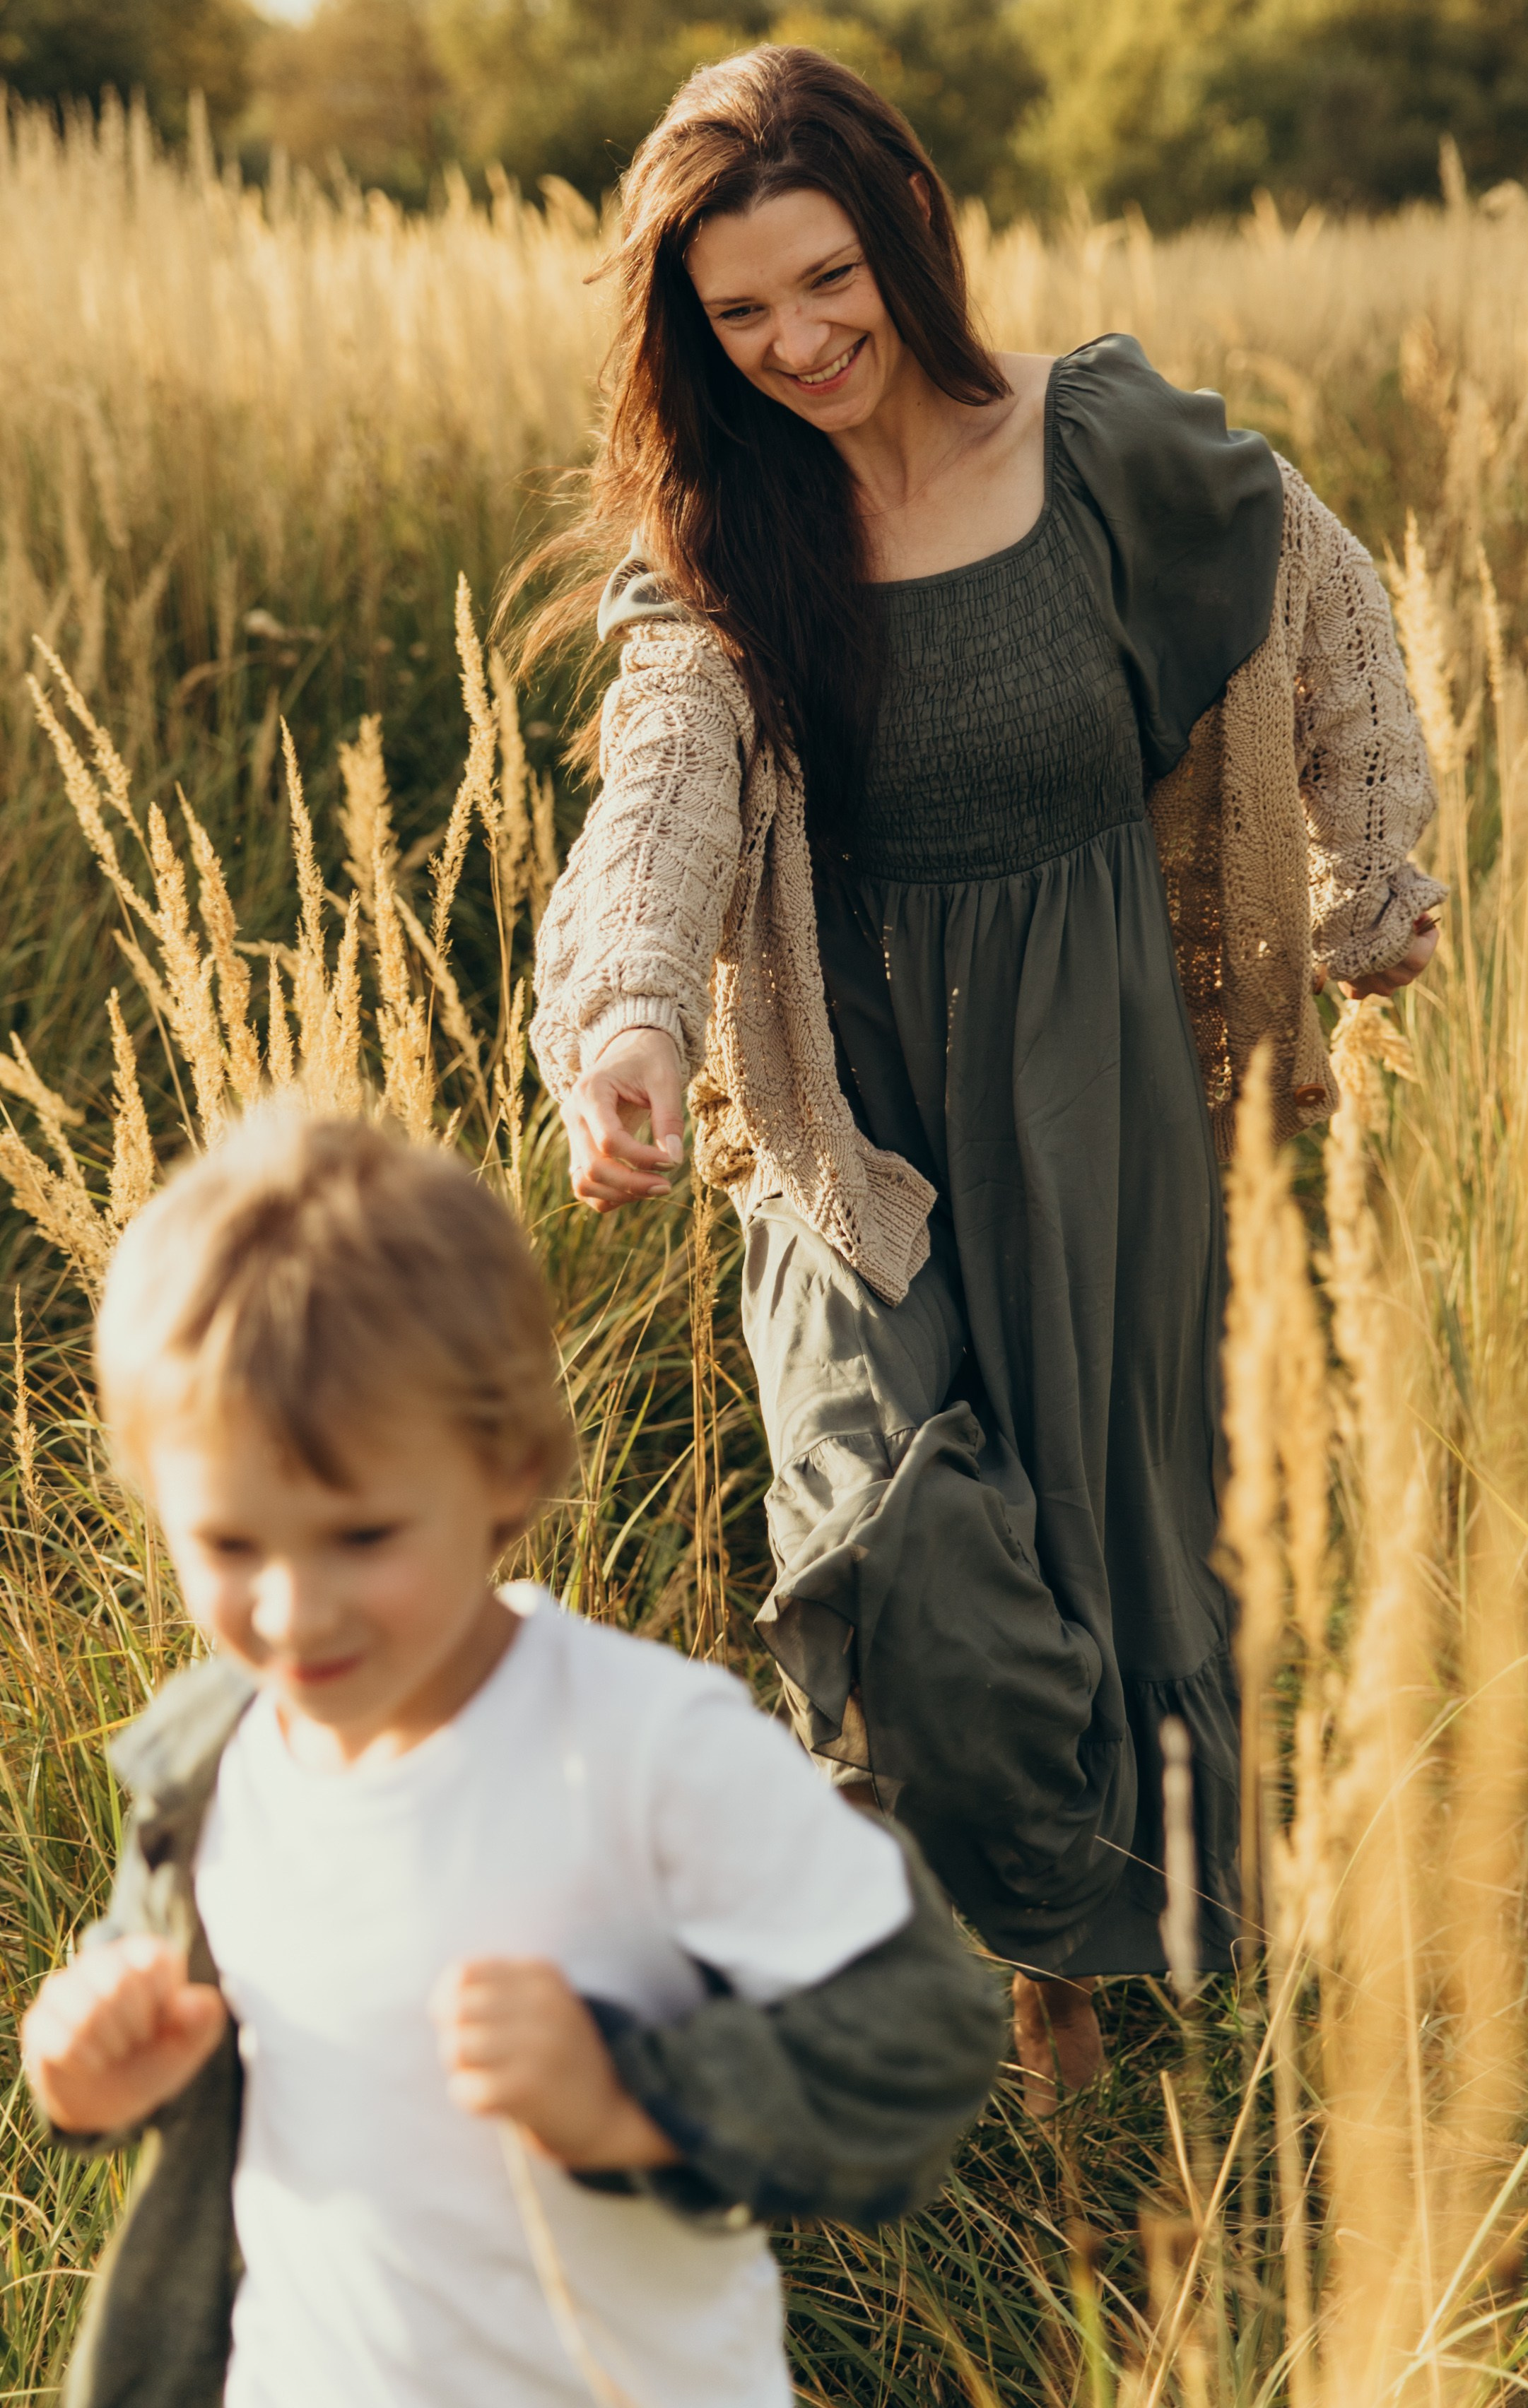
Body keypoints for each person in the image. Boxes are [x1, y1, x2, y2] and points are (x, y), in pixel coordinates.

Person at [519, 45, 1443, 2110]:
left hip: (1100, 1083)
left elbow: (1331, 606)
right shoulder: (733, 531)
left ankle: (1076, 2029)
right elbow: (664, 782)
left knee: (1113, 1560)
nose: (796, 344)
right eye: (738, 316)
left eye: (825, 282)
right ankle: (1019, 1943)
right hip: (854, 1129)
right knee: (899, 1554)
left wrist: (1375, 874)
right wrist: (638, 1021)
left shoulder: (1104, 448)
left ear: (911, 236)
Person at [22, 1109, 1001, 2408]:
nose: (297, 1611)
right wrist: (91, 2066)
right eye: (234, 1548)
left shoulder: (642, 1749)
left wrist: (628, 2098)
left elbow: (926, 2034)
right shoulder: (216, 1768)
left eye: (363, 1537)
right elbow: (169, 1993)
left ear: (508, 1468)